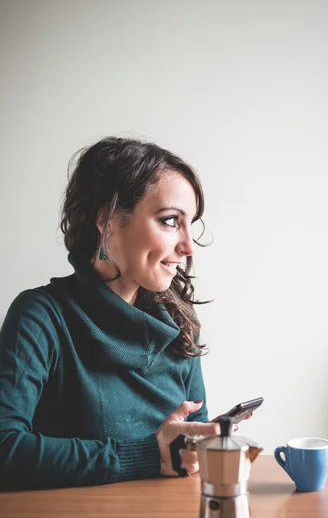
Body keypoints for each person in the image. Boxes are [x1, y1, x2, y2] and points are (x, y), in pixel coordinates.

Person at [0, 136, 221, 491]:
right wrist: (148, 455)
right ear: (107, 220)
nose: (187, 246)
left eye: (190, 224)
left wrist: (204, 441)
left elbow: (189, 451)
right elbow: (5, 449)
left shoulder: (179, 324)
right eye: (169, 221)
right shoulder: (41, 318)